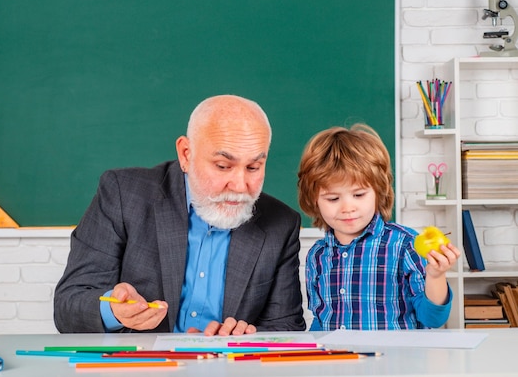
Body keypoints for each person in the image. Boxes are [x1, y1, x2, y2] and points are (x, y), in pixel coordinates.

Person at [54, 94, 306, 335]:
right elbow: (68, 305)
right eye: (222, 166)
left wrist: (248, 337)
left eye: (253, 167)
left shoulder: (281, 225)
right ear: (186, 154)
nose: (240, 185)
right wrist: (113, 310)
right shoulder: (123, 194)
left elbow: (285, 329)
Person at [297, 123, 461, 331]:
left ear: (378, 191)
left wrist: (436, 276)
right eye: (333, 198)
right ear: (314, 201)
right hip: (337, 362)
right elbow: (320, 321)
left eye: (359, 195)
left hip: (396, 362)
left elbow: (433, 319)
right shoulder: (317, 255)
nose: (348, 208)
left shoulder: (404, 245)